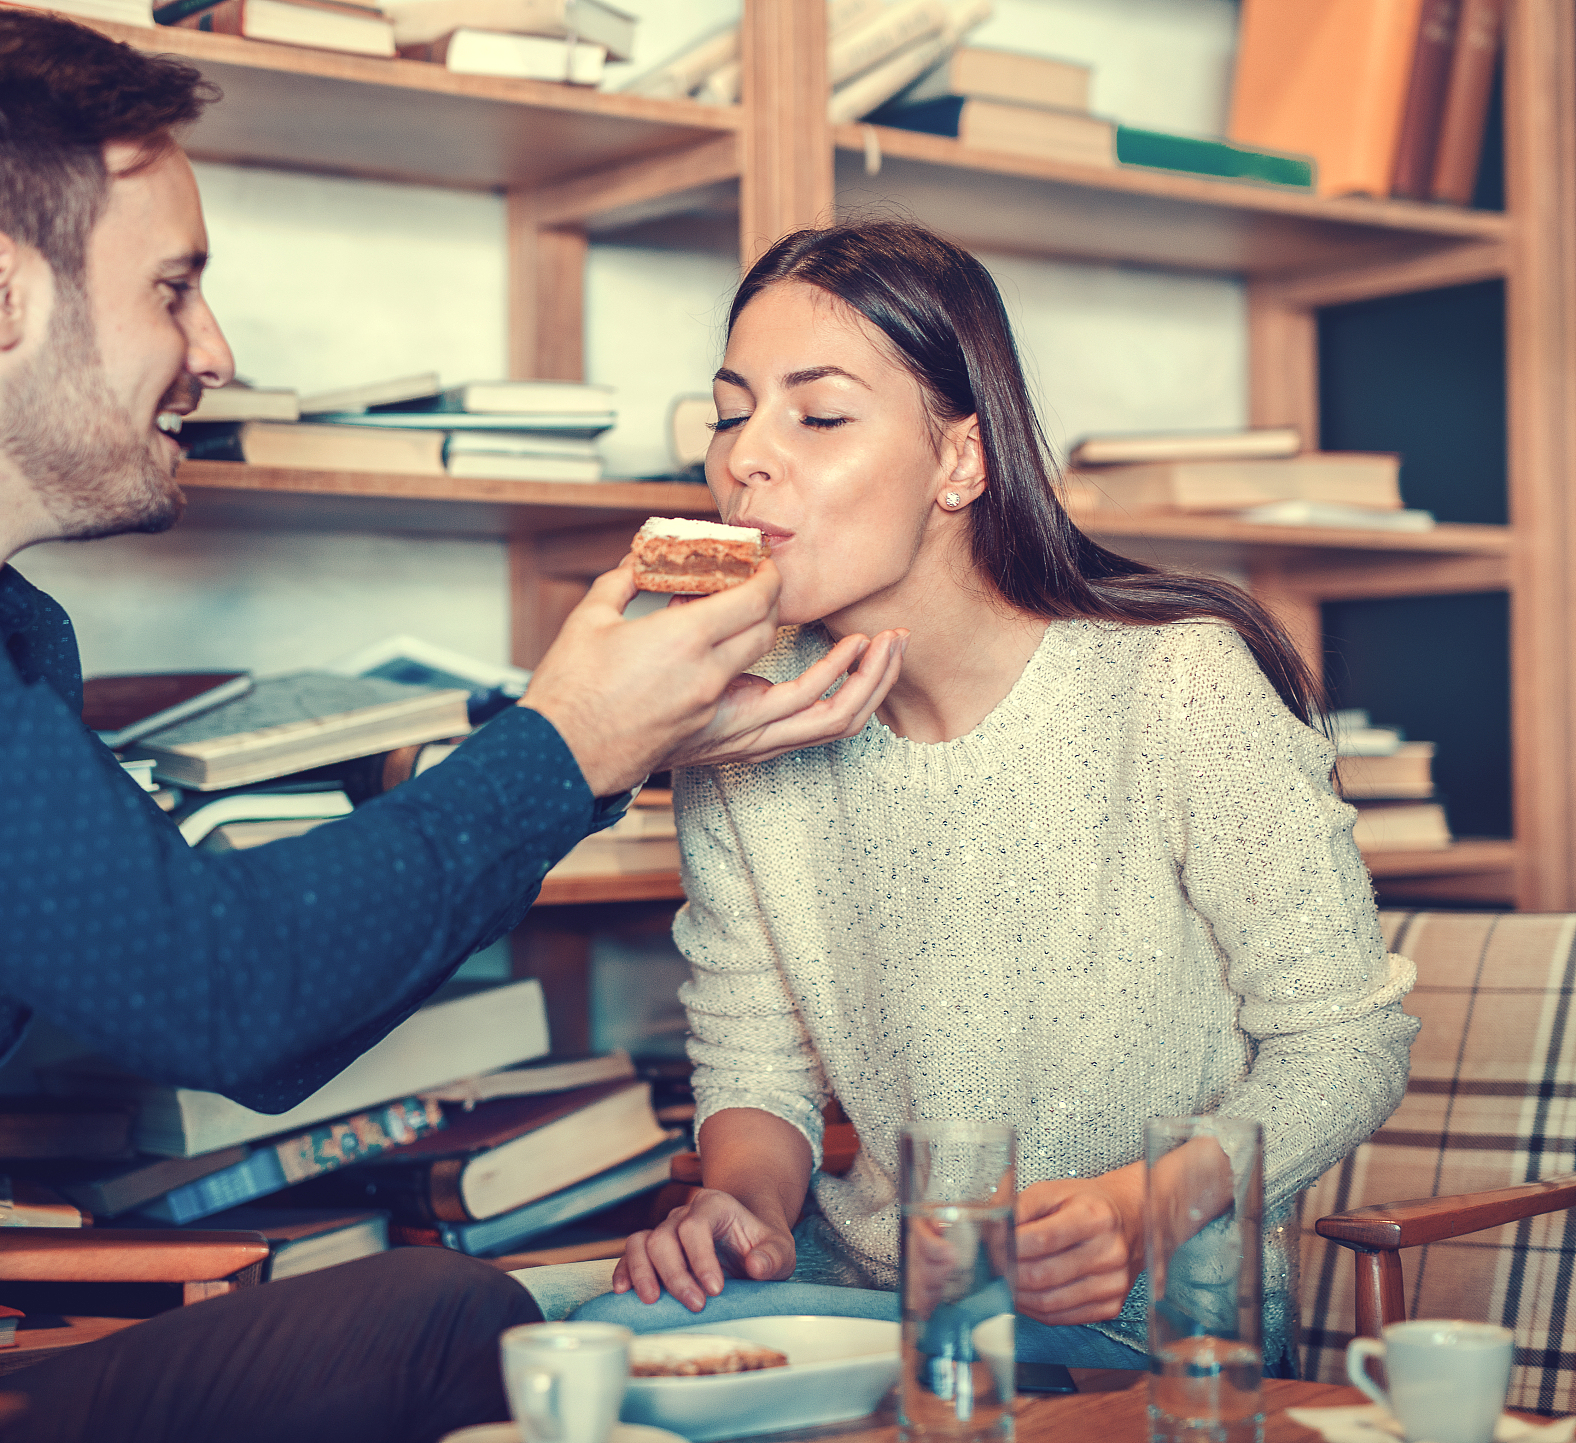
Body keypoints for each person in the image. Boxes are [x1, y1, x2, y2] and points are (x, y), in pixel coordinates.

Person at [0, 14, 904, 1437]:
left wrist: (616, 747)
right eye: (174, 288)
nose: (214, 349)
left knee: (450, 1313)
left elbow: (253, 1010)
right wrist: (571, 744)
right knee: (468, 1341)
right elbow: (225, 991)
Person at [521, 220, 1420, 1375]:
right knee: (600, 1347)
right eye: (729, 410)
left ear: (959, 459)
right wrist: (736, 1205)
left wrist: (1144, 1206)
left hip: (1136, 1333)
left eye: (819, 414)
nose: (746, 457)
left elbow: (1346, 1045)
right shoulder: (742, 712)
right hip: (867, 1307)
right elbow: (754, 1066)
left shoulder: (1176, 679)